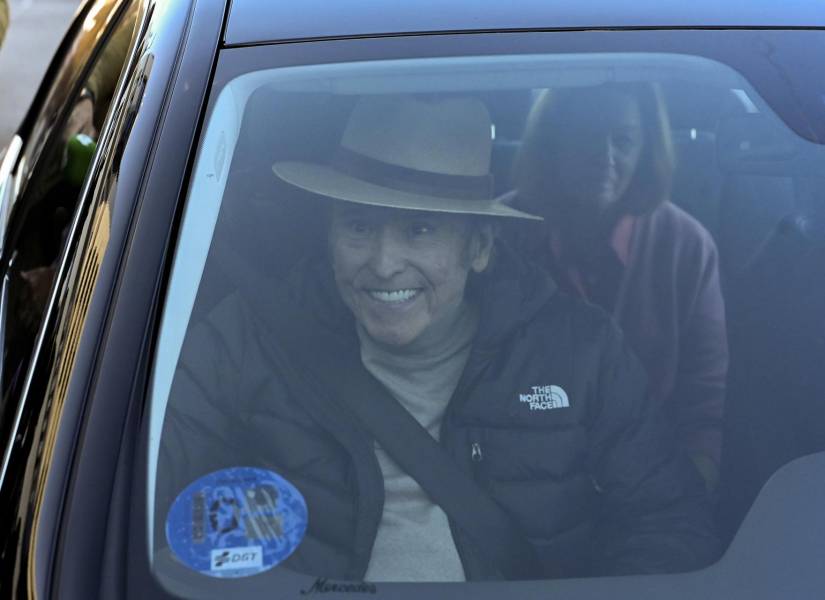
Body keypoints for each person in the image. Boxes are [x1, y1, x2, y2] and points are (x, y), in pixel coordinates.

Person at [157, 94, 717, 582]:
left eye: (419, 229)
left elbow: (669, 524)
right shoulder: (250, 338)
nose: (383, 263)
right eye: (358, 226)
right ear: (328, 232)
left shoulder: (579, 352)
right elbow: (140, 486)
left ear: (479, 248)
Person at [512, 84, 728, 490]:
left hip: (652, 480)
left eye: (623, 140)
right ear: (552, 142)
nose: (604, 156)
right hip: (517, 478)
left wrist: (688, 500)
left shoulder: (687, 247)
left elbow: (705, 404)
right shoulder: (503, 234)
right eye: (585, 136)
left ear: (647, 150)